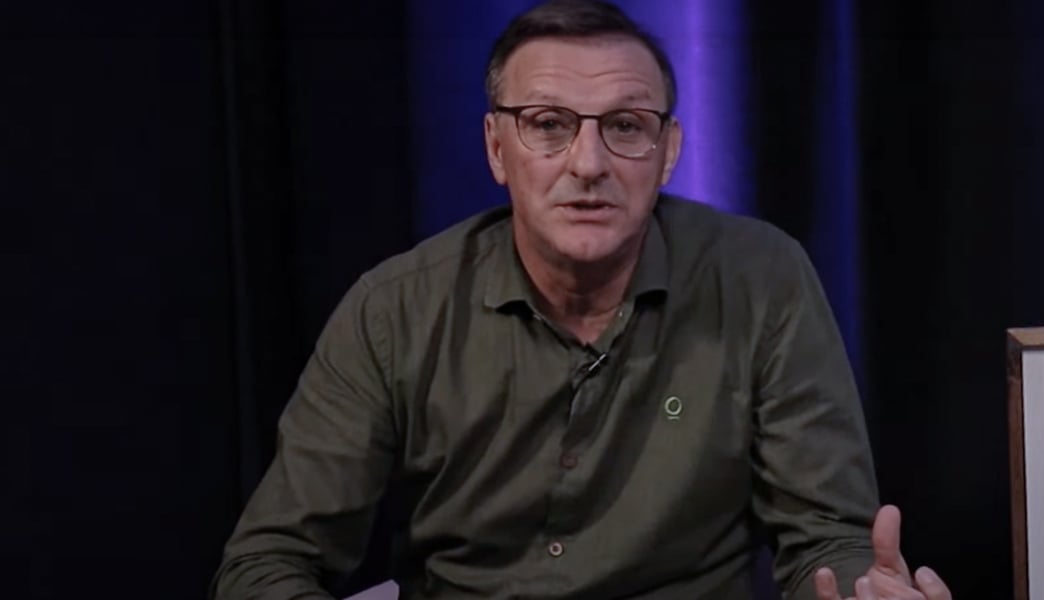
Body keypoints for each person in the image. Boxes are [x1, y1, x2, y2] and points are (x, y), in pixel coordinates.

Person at [211, 1, 953, 599]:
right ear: (497, 149)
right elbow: (267, 564)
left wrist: (862, 589)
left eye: (625, 127)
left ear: (669, 152)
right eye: (548, 125)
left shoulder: (762, 278)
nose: (589, 163)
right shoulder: (394, 310)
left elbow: (827, 541)